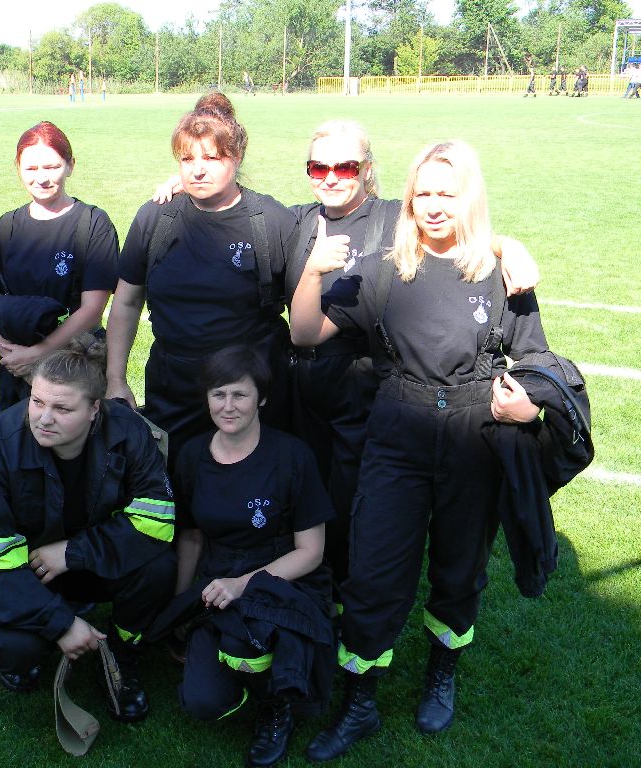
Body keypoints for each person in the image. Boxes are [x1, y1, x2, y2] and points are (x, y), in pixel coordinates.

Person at [153, 121, 539, 594]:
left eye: (346, 167)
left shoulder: (392, 217)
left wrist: (507, 246)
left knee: (355, 498)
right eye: (319, 167)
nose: (331, 177)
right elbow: (238, 211)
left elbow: (452, 228)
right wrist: (191, 184)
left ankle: (347, 591)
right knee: (299, 488)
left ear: (367, 170)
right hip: (298, 384)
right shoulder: (298, 221)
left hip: (363, 387)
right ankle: (302, 584)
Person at [292, 140, 550, 761]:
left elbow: (536, 356)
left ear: (470, 198)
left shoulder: (500, 271)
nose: (434, 206)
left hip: (474, 433)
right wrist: (312, 273)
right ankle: (359, 703)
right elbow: (303, 333)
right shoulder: (387, 268)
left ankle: (441, 671)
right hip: (397, 428)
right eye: (423, 193)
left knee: (460, 567)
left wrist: (530, 406)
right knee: (375, 569)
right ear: (409, 199)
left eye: (447, 194)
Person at [0, 335, 177, 722]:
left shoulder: (129, 432)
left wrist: (74, 552)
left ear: (94, 409)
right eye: (37, 401)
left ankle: (121, 654)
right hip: (16, 567)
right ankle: (36, 643)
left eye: (62, 408)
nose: (43, 417)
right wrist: (61, 625)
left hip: (84, 558)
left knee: (159, 568)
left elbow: (156, 522)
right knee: (10, 647)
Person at [106, 92, 298, 468]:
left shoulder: (271, 221)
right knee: (176, 486)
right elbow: (126, 302)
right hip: (174, 388)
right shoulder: (155, 218)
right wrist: (116, 379)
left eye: (211, 158)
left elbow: (303, 312)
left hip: (249, 390)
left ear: (237, 157)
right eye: (187, 159)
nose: (197, 170)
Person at [167, 346, 335, 768]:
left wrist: (243, 584)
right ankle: (242, 673)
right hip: (218, 574)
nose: (228, 406)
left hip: (284, 576)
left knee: (249, 641)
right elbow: (191, 538)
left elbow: (311, 552)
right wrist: (180, 606)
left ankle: (276, 705)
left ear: (261, 398)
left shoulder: (292, 456)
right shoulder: (191, 456)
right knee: (203, 701)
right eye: (218, 394)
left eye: (240, 395)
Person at [0, 121, 118, 411]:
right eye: (31, 168)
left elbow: (92, 309)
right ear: (18, 168)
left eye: (52, 167)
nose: (41, 178)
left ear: (70, 165)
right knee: (16, 436)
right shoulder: (6, 227)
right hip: (13, 367)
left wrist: (38, 354)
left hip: (74, 365)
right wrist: (12, 356)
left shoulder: (92, 224)